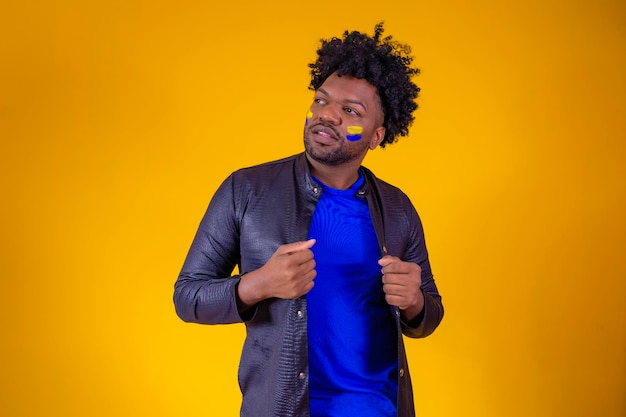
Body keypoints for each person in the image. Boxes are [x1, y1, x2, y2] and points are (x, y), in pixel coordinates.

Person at [174, 22, 444, 417]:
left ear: (376, 135)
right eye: (321, 101)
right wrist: (258, 284)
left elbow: (429, 314)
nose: (328, 116)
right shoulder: (245, 189)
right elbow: (187, 297)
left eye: (350, 110)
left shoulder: (398, 208)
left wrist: (415, 301)